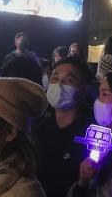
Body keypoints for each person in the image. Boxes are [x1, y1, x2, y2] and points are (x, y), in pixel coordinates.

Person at [33, 55, 95, 197]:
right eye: (55, 78)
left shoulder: (91, 133)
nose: (59, 84)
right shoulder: (38, 124)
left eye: (69, 80)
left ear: (84, 90)